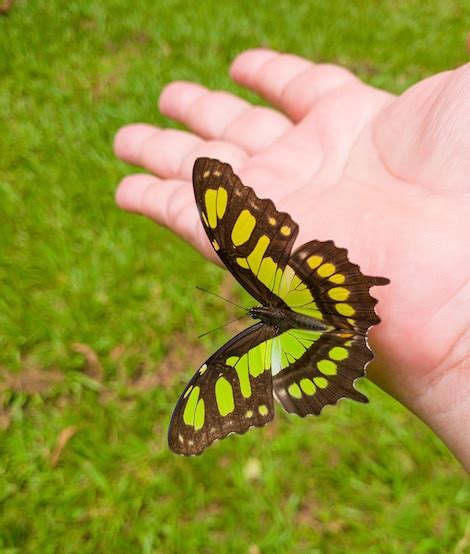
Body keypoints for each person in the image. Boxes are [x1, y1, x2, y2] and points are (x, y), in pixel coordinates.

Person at [113, 49, 470, 471]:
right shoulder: (258, 281)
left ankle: (344, 336)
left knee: (276, 267)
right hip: (315, 305)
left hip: (309, 344)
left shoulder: (239, 347)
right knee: (295, 267)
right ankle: (344, 329)